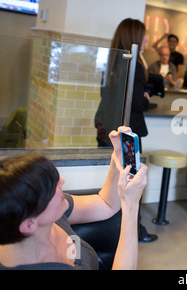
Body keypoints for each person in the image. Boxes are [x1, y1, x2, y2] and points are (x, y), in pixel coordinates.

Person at [0, 126, 147, 270]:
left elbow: (106, 204)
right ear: (29, 224)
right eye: (51, 188)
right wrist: (131, 206)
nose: (62, 181)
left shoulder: (54, 214)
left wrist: (118, 158)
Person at [95, 18, 157, 243]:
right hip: (127, 133)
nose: (147, 39)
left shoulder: (113, 60)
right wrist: (146, 98)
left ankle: (114, 230)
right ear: (135, 38)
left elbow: (106, 96)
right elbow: (137, 104)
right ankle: (135, 230)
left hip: (106, 126)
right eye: (144, 34)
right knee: (131, 182)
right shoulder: (135, 64)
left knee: (112, 182)